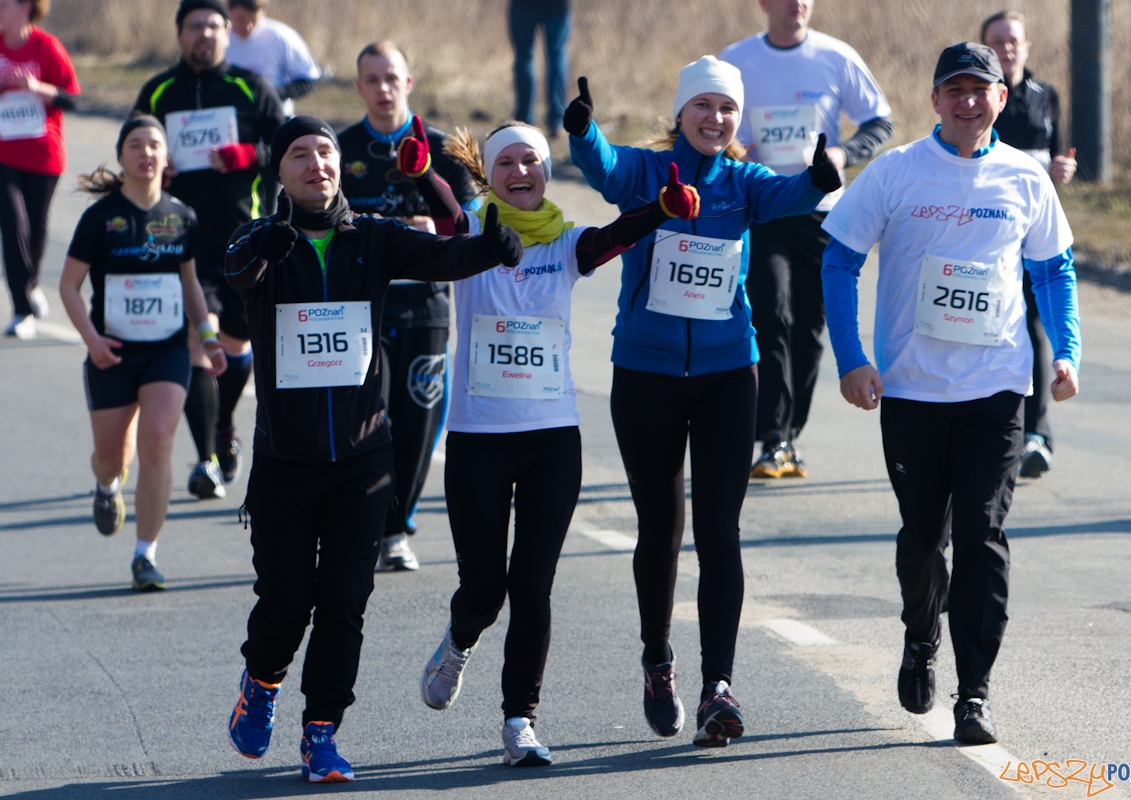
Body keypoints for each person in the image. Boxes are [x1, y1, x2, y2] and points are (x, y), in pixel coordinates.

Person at [223, 115, 521, 782]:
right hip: (285, 464)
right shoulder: (261, 240)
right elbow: (232, 271)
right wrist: (268, 245)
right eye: (299, 155)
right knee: (284, 603)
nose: (316, 164)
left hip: (362, 461)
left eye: (325, 152)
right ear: (280, 173)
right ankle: (261, 681)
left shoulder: (374, 239)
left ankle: (321, 732)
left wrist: (493, 246)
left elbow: (446, 254)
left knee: (345, 601)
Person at [403, 116, 701, 766]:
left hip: (551, 442)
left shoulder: (566, 243)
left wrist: (660, 209)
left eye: (530, 162)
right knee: (484, 591)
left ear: (543, 170)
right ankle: (458, 642)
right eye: (506, 163)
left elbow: (611, 238)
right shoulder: (474, 233)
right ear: (492, 172)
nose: (520, 173)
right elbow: (448, 214)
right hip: (478, 440)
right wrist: (423, 171)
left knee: (532, 586)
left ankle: (520, 722)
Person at [566, 58, 840, 746]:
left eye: (727, 110)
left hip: (726, 374)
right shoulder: (648, 173)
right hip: (646, 374)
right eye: (704, 107)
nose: (715, 120)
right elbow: (603, 168)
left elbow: (793, 197)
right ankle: (659, 661)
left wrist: (819, 177)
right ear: (681, 112)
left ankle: (719, 685)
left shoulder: (744, 183)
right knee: (660, 529)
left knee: (719, 529)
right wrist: (582, 131)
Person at [820, 43, 1080, 744]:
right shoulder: (897, 172)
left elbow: (1054, 272)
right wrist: (851, 358)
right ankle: (919, 634)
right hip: (910, 390)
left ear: (1002, 98)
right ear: (935, 100)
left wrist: (1066, 353)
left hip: (997, 388)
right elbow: (839, 259)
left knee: (983, 537)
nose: (968, 102)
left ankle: (974, 693)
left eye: (981, 90)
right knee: (920, 540)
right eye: (954, 90)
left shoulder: (1025, 177)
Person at [720, 0, 893, 479]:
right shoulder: (737, 60)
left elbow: (880, 123)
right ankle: (773, 435)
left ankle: (789, 434)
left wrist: (843, 151)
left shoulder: (836, 57)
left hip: (820, 211)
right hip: (763, 204)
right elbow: (708, 122)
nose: (797, 4)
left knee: (810, 326)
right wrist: (735, 150)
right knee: (771, 313)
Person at [58, 116, 227, 590]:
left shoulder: (182, 216)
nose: (146, 153)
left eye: (154, 144)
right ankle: (107, 485)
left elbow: (190, 282)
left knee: (158, 439)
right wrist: (92, 340)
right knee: (110, 457)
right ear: (122, 155)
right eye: (136, 145)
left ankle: (145, 555)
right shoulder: (101, 218)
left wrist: (207, 338)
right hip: (112, 353)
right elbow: (69, 286)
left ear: (166, 156)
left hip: (167, 351)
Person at [132, 0, 286, 500]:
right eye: (195, 26)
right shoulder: (158, 90)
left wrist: (252, 154)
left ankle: (222, 428)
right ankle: (207, 460)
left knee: (238, 347)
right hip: (181, 240)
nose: (205, 34)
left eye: (214, 27)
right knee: (201, 342)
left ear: (227, 33)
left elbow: (286, 148)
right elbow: (133, 149)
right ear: (179, 33)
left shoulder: (250, 87)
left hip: (244, 235)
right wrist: (155, 168)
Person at [338, 41, 478, 572]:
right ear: (359, 87)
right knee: (367, 421)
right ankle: (368, 521)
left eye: (391, 77)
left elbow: (469, 225)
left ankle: (397, 530)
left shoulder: (442, 149)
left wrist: (431, 229)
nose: (382, 88)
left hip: (426, 306)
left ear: (409, 82)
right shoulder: (341, 147)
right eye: (371, 79)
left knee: (417, 421)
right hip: (361, 308)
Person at [982, 9, 1077, 480]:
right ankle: (995, 430)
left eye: (1014, 40)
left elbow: (1058, 156)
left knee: (1035, 326)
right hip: (992, 234)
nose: (1007, 48)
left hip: (1036, 232)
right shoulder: (977, 100)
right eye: (998, 41)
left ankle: (1037, 436)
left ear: (1026, 46)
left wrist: (1062, 171)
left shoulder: (1046, 96)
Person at [0, 0, 79, 340]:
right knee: (12, 222)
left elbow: (72, 98)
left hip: (43, 154)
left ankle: (29, 286)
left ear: (25, 7)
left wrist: (35, 88)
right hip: (4, 155)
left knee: (35, 227)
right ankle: (21, 309)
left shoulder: (46, 47)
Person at [226, 0, 322, 117]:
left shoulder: (281, 35)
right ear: (228, 9)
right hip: (232, 121)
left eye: (254, 20)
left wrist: (270, 94)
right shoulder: (217, 40)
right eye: (241, 19)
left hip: (276, 118)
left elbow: (308, 79)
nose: (248, 26)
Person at [509, 0, 570, 134]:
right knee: (557, 56)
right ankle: (556, 120)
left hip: (524, 5)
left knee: (524, 57)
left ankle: (524, 119)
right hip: (557, 6)